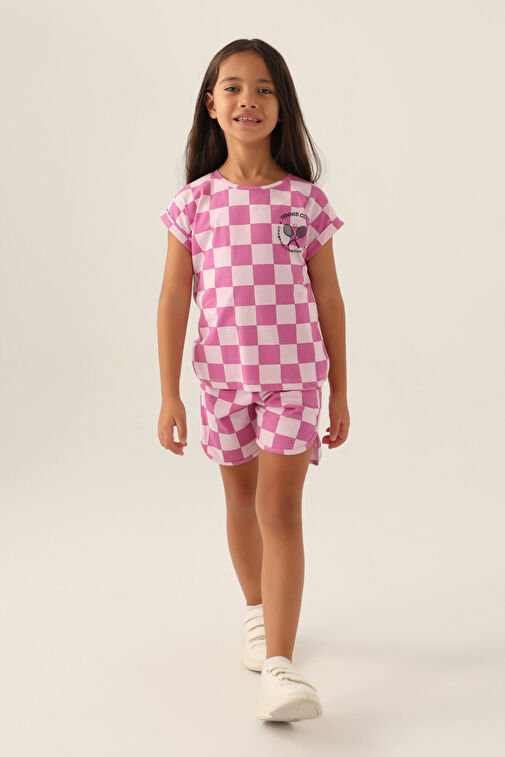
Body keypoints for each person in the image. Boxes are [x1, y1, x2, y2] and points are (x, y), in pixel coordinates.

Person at [156, 38, 350, 722]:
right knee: (240, 502)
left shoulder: (304, 203)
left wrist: (340, 389)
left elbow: (329, 298)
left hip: (293, 380)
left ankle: (280, 667)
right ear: (210, 105)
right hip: (222, 381)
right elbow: (173, 298)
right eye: (233, 87)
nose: (249, 100)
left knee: (279, 509)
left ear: (282, 106)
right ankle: (257, 615)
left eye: (265, 88)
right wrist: (170, 393)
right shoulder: (194, 204)